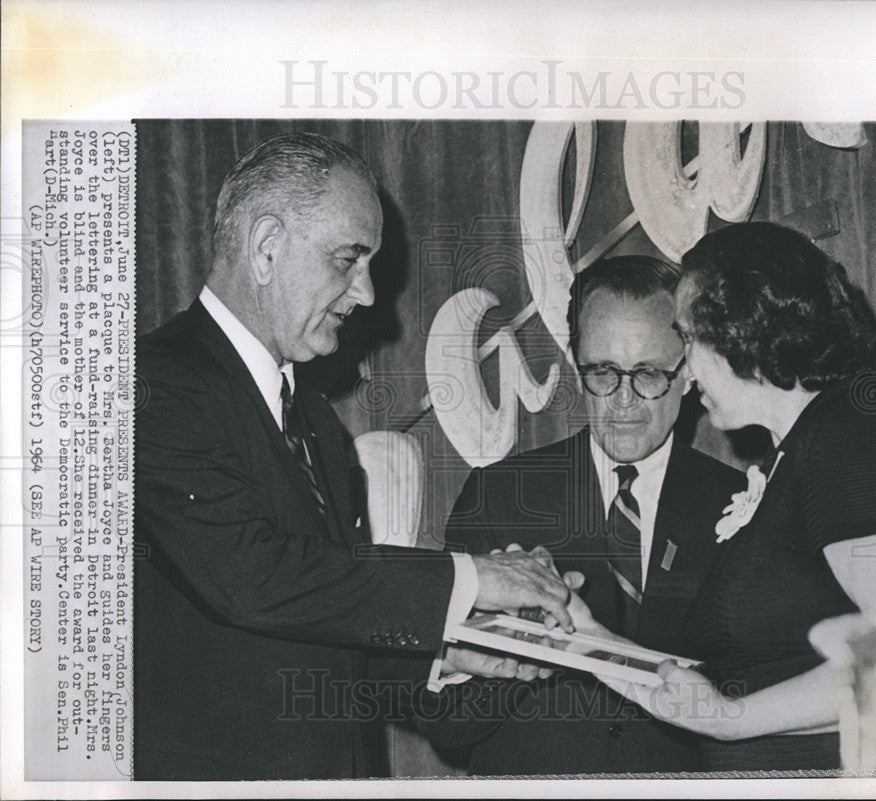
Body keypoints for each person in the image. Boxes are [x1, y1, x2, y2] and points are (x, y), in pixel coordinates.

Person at [133, 133, 575, 780]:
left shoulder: (313, 418)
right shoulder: (152, 383)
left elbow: (326, 624)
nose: (367, 294)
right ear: (265, 247)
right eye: (349, 259)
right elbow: (252, 576)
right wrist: (472, 579)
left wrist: (460, 649)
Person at [592, 222, 876, 771]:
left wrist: (729, 721)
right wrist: (579, 630)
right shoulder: (798, 452)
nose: (683, 376)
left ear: (739, 327)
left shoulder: (847, 433)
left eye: (688, 339)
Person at [415, 255, 744, 775]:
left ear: (689, 371)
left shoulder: (742, 505)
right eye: (603, 372)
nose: (623, 401)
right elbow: (446, 722)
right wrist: (520, 649)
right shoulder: (498, 497)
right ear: (576, 363)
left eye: (650, 375)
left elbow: (759, 705)